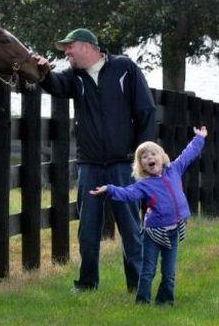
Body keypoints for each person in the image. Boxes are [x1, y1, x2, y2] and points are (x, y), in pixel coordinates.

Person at [36, 28, 156, 293]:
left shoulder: (125, 68)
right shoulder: (73, 77)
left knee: (130, 226)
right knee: (88, 228)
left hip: (123, 164)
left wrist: (144, 157)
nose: (66, 52)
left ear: (88, 46)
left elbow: (146, 111)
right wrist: (43, 72)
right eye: (64, 49)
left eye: (70, 47)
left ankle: (138, 285)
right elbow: (54, 85)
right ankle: (87, 283)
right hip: (89, 165)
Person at [90, 126, 207, 305]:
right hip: (153, 234)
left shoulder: (174, 169)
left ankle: (165, 302)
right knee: (148, 271)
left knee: (169, 273)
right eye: (144, 157)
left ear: (162, 157)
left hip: (173, 231)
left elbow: (188, 154)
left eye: (153, 154)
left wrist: (199, 138)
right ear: (141, 165)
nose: (150, 158)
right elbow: (127, 193)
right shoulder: (144, 185)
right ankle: (142, 301)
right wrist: (109, 189)